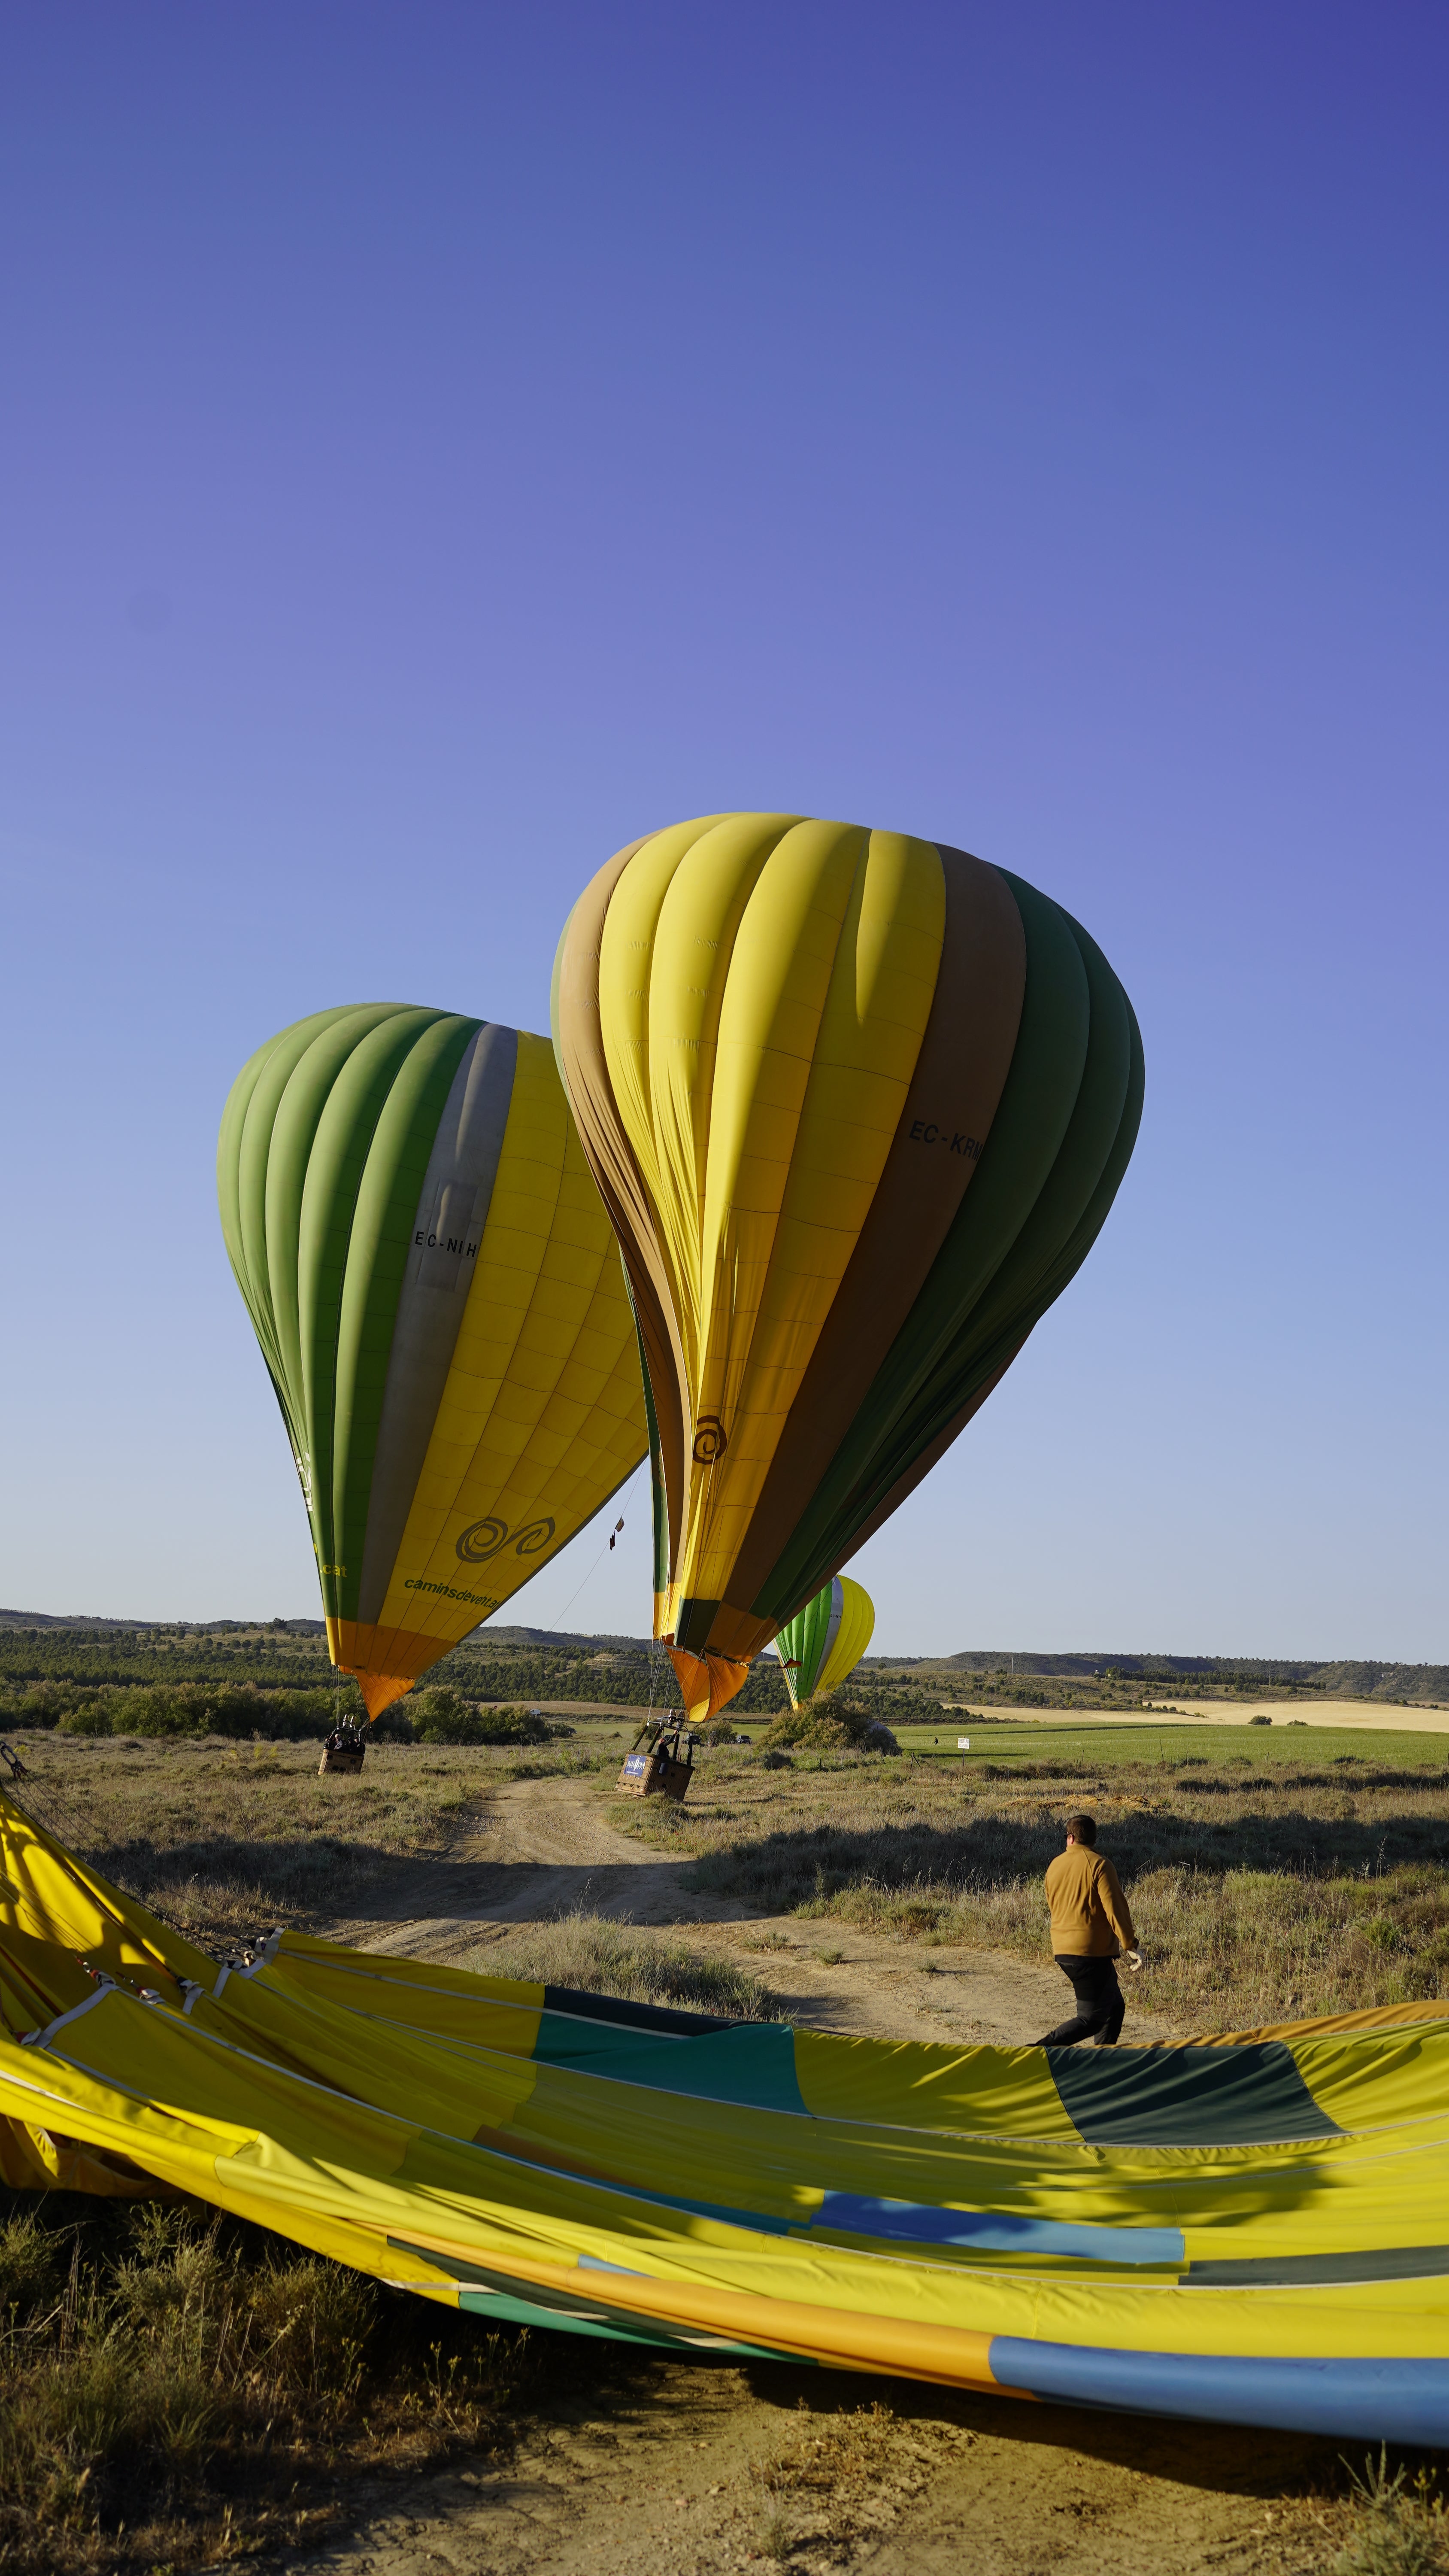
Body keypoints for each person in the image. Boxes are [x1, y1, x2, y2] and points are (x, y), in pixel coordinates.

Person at [1036, 1812, 1140, 2047]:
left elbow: (1053, 1903)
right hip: (1090, 1954)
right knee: (1091, 2019)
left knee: (1114, 2006)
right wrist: (1130, 1944)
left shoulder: (1055, 1865)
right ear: (1093, 1839)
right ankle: (1036, 2053)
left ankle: (1100, 2062)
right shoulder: (1100, 1865)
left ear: (1071, 1838)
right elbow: (1115, 1910)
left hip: (1063, 1949)